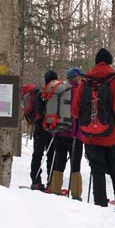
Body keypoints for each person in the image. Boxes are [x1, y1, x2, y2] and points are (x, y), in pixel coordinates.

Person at [71, 48, 115, 218]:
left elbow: (75, 111)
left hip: (91, 138)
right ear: (110, 62)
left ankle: (101, 212)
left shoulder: (85, 82)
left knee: (97, 173)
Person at [47, 67, 85, 200]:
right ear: (76, 77)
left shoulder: (59, 90)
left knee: (59, 162)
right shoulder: (79, 91)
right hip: (75, 134)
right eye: (80, 77)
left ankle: (55, 189)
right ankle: (76, 194)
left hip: (59, 133)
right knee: (75, 165)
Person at [29, 70, 57, 190]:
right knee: (51, 155)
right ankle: (51, 182)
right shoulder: (54, 94)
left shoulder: (40, 93)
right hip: (51, 128)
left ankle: (36, 180)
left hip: (40, 128)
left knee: (38, 155)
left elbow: (38, 111)